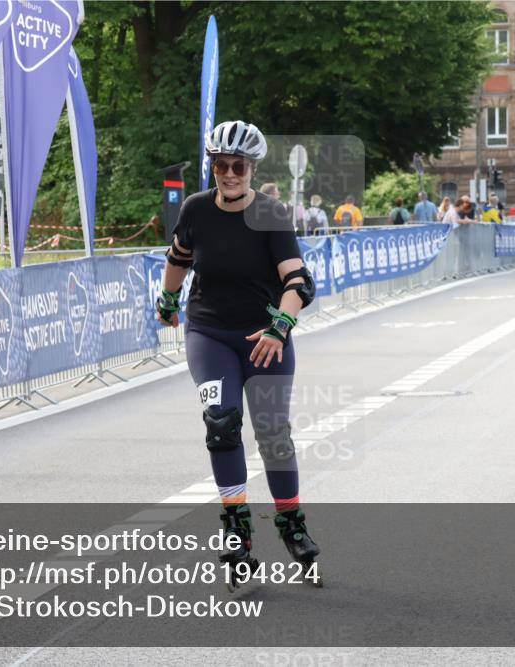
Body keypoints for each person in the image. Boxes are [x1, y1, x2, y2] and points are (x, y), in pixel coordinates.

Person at [157, 120, 320, 584]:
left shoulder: (271, 214)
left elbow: (298, 282)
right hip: (209, 333)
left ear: (251, 169)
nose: (228, 174)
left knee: (273, 434)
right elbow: (178, 257)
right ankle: (237, 532)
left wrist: (280, 327)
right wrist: (168, 300)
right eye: (221, 165)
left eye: (238, 166)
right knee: (222, 424)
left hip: (265, 338)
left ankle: (291, 524)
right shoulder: (195, 208)